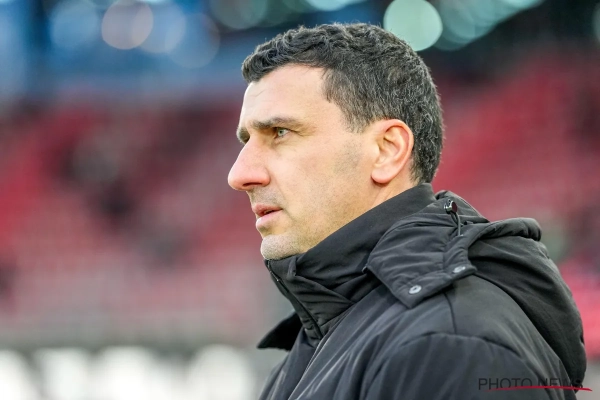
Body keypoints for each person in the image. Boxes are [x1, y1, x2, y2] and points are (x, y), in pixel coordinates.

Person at [227, 23, 586, 400]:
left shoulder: (448, 346)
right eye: (247, 140)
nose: (239, 175)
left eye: (280, 132)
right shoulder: (324, 336)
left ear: (387, 150)